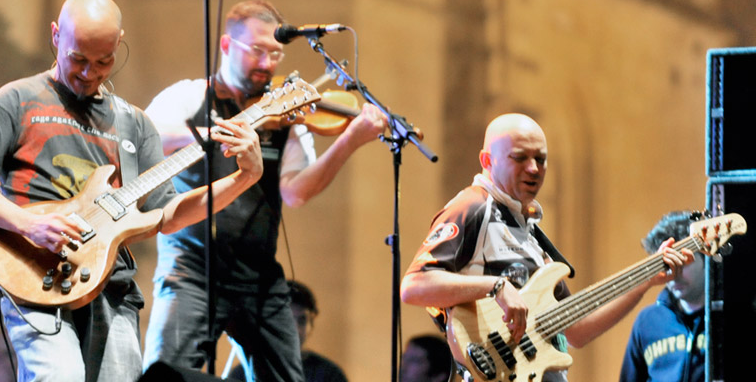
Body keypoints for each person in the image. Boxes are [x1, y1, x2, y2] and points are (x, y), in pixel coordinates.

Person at [0, 0, 264, 382]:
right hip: (35, 277)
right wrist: (28, 224)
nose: (89, 73)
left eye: (104, 61)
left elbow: (168, 215)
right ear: (56, 35)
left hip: (112, 288)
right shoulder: (17, 99)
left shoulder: (134, 124)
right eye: (78, 58)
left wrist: (243, 177)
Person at [141, 0, 387, 382]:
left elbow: (297, 192)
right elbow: (145, 136)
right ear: (226, 46)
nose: (267, 64)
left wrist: (348, 142)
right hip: (191, 268)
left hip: (258, 275)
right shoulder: (190, 97)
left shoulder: (282, 112)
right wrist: (218, 131)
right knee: (165, 376)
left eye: (275, 54)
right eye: (257, 51)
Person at [400, 113, 693, 382]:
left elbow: (578, 331)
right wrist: (497, 286)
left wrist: (646, 282)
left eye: (541, 159)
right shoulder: (473, 207)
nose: (534, 168)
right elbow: (414, 286)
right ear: (487, 161)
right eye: (520, 158)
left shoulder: (530, 232)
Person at [619, 211, 706, 382]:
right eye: (665, 265)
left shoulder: (730, 316)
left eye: (683, 261)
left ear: (705, 257)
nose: (674, 273)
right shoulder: (647, 322)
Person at [228, 280, 348, 382]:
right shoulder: (244, 373)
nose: (295, 330)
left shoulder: (330, 375)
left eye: (302, 321)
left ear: (311, 324)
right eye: (287, 320)